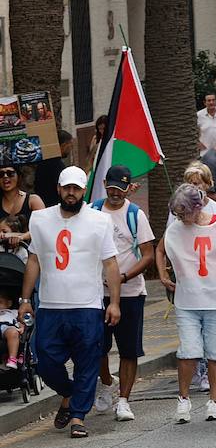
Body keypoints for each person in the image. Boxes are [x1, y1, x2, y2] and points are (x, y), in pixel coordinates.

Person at [21, 167, 121, 438]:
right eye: (67, 188)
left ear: (84, 190)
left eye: (76, 188)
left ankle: (78, 416)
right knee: (45, 362)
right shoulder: (40, 219)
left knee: (88, 362)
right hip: (51, 307)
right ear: (58, 189)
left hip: (87, 306)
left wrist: (114, 302)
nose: (71, 193)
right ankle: (68, 393)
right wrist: (25, 299)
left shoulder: (100, 221)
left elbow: (110, 263)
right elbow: (34, 260)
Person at [158, 183, 216, 423]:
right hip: (187, 300)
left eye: (184, 213)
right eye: (177, 214)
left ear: (197, 207)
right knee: (188, 351)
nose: (181, 218)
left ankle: (214, 402)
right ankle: (183, 399)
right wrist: (164, 277)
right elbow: (160, 249)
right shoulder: (176, 229)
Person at [92, 166, 155, 422]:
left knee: (129, 350)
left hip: (130, 293)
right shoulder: (93, 211)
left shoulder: (134, 215)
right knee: (97, 346)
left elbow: (148, 253)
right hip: (96, 293)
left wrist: (124, 276)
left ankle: (124, 400)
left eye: (121, 187)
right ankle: (106, 382)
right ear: (105, 183)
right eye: (112, 186)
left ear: (129, 188)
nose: (115, 192)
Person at [0, 163, 46, 255]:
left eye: (10, 173)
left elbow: (44, 228)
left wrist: (22, 237)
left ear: (19, 177)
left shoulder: (33, 200)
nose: (5, 177)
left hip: (31, 255)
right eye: (1, 174)